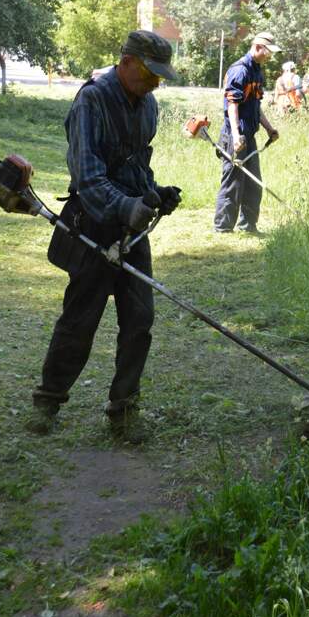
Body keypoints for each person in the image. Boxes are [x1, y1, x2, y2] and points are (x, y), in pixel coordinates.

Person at [28, 30, 182, 443]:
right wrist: (124, 207)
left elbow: (137, 166)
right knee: (81, 319)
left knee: (140, 319)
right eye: (150, 73)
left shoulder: (148, 105)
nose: (155, 83)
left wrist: (153, 194)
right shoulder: (92, 99)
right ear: (127, 62)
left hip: (132, 229)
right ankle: (48, 399)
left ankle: (124, 409)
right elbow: (88, 176)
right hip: (93, 223)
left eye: (159, 76)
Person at [214, 31, 281, 234]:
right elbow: (232, 106)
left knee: (253, 183)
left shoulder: (257, 71)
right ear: (258, 47)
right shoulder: (240, 70)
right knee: (233, 183)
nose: (269, 56)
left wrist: (269, 128)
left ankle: (247, 225)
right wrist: (235, 136)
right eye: (268, 52)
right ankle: (223, 228)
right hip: (235, 135)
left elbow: (255, 104)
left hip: (249, 136)